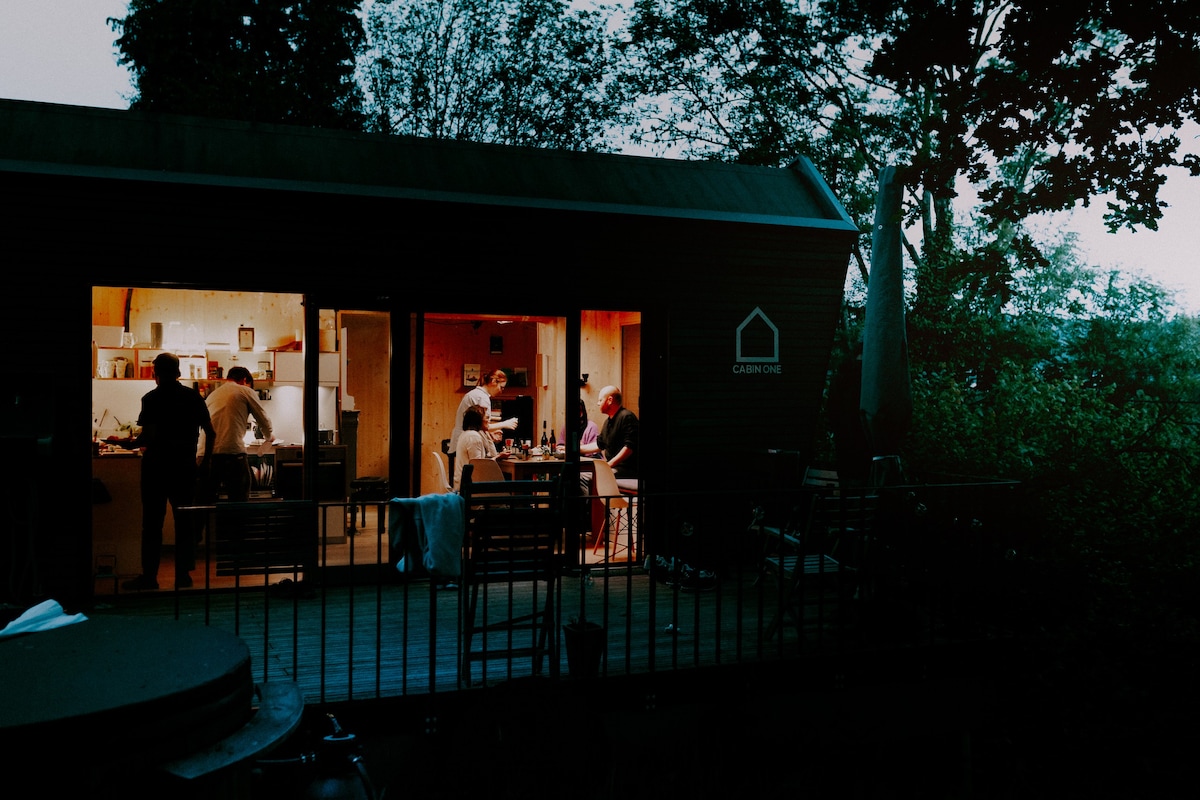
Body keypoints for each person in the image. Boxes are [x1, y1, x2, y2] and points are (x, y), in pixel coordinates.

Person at [122, 352, 215, 591]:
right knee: (185, 522)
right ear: (178, 373)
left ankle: (149, 577)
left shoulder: (151, 399)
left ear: (156, 374)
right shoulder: (194, 397)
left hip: (156, 468)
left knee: (152, 523)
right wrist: (204, 464)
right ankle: (183, 576)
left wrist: (126, 443)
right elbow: (210, 433)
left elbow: (149, 437)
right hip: (184, 468)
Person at [199, 365, 274, 502]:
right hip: (232, 455)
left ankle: (207, 524)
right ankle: (236, 523)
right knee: (239, 500)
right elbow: (263, 418)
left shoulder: (213, 394)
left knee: (205, 502)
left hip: (205, 454)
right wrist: (269, 436)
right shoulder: (245, 390)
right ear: (245, 380)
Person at [448, 368, 518, 453]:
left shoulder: (476, 394)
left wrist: (491, 433)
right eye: (501, 387)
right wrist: (505, 424)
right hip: (467, 443)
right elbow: (484, 426)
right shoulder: (481, 397)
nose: (501, 391)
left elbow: (479, 424)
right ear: (493, 382)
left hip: (462, 441)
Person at [453, 405, 500, 492]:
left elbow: (493, 454)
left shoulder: (467, 434)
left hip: (465, 484)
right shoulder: (473, 437)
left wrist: (487, 433)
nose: (489, 421)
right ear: (478, 420)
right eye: (487, 417)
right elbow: (478, 468)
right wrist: (498, 457)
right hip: (467, 488)